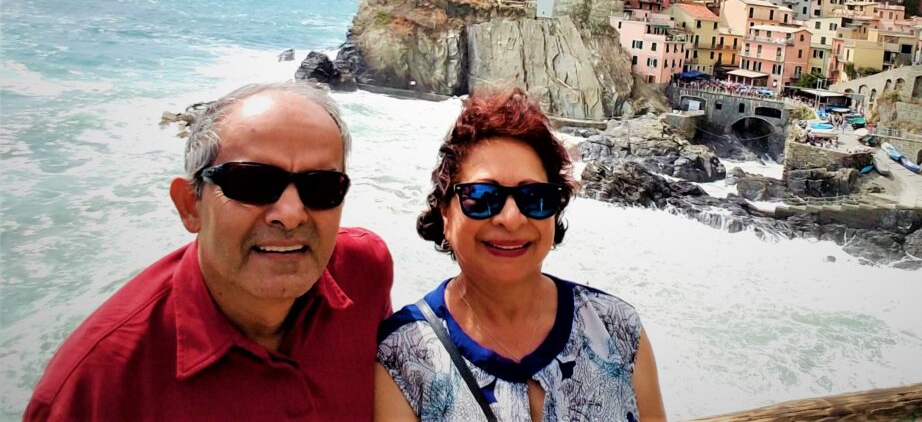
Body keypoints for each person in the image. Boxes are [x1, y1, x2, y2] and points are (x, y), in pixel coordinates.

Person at [25, 81, 393, 422]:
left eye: (322, 186)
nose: (291, 214)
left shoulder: (364, 272)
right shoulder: (96, 386)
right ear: (190, 205)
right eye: (252, 182)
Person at [374, 88, 666, 422]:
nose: (511, 218)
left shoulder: (617, 328)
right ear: (444, 212)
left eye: (534, 197)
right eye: (482, 196)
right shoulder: (404, 353)